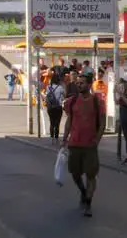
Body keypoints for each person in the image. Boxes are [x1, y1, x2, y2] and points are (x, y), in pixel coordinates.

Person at [61, 79, 104, 218]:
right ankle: (83, 191)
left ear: (89, 85)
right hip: (74, 144)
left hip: (90, 145)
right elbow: (69, 120)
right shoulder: (72, 101)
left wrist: (97, 140)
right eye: (78, 83)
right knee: (75, 173)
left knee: (91, 175)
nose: (79, 85)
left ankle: (88, 204)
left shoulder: (97, 102)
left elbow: (102, 123)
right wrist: (64, 138)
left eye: (83, 83)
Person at [44, 72, 65, 143]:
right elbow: (64, 95)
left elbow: (46, 95)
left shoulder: (48, 87)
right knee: (57, 123)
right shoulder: (60, 88)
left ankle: (51, 139)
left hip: (50, 107)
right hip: (58, 107)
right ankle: (56, 139)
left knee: (52, 122)